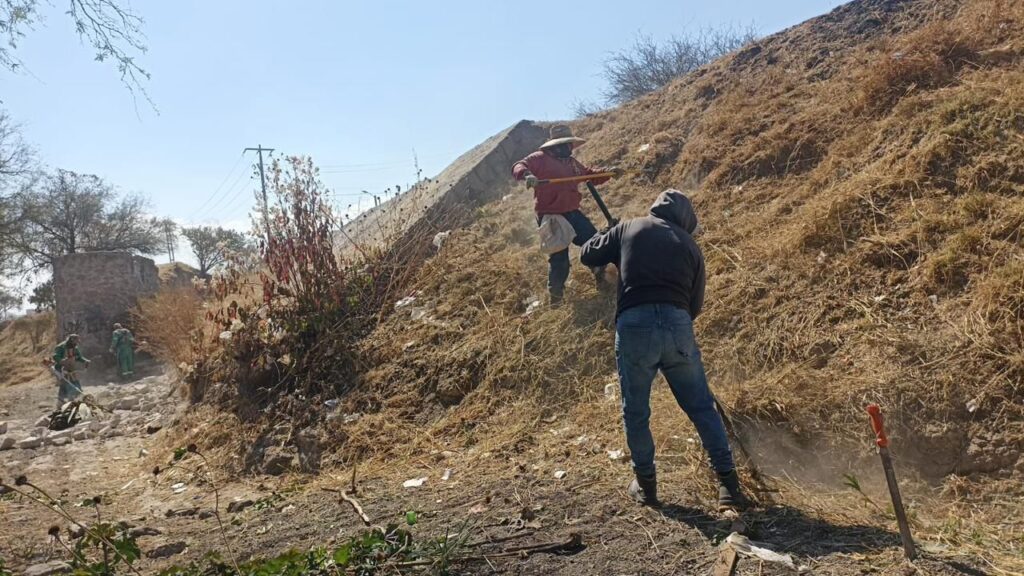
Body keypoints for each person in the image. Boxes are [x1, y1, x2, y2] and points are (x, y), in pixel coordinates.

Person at [580, 189, 747, 511]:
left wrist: (608, 234)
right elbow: (694, 305)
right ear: (685, 219)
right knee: (700, 408)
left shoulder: (630, 227)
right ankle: (728, 486)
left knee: (636, 411)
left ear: (656, 208)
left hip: (635, 325)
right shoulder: (690, 246)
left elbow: (588, 255)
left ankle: (646, 486)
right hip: (678, 325)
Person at [512, 124, 616, 305]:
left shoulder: (571, 163)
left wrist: (609, 172)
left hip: (573, 212)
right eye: (563, 145)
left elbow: (589, 175)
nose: (567, 148)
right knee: (559, 260)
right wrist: (527, 175)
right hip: (552, 216)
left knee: (594, 244)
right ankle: (556, 299)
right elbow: (519, 165)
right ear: (554, 145)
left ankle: (602, 278)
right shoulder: (540, 158)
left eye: (569, 144)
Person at [52, 333, 90, 408]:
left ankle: (73, 399)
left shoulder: (75, 348)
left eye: (77, 342)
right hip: (61, 368)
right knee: (65, 383)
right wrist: (62, 361)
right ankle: (61, 401)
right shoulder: (61, 347)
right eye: (75, 342)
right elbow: (55, 356)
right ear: (71, 341)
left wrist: (85, 361)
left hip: (70, 368)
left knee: (75, 383)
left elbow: (79, 357)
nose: (76, 344)